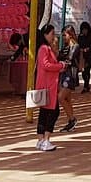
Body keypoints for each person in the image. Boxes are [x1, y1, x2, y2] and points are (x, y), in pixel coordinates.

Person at [34, 24, 67, 152]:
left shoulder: (46, 48)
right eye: (52, 33)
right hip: (48, 85)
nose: (53, 36)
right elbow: (46, 65)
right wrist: (60, 66)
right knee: (53, 112)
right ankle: (46, 139)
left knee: (44, 112)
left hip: (46, 84)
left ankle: (41, 139)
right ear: (45, 34)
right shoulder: (44, 49)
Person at [57, 25, 80, 132]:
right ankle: (71, 120)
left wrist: (62, 63)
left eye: (64, 35)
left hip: (70, 75)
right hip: (65, 74)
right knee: (67, 99)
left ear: (70, 35)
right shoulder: (66, 46)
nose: (63, 37)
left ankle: (72, 119)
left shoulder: (75, 46)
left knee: (61, 97)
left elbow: (70, 59)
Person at [76, 21, 91, 93]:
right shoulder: (80, 36)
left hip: (90, 57)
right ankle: (87, 85)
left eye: (85, 29)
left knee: (87, 71)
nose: (84, 31)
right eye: (83, 30)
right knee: (83, 72)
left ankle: (86, 86)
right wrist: (81, 49)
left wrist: (88, 48)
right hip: (82, 56)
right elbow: (78, 45)